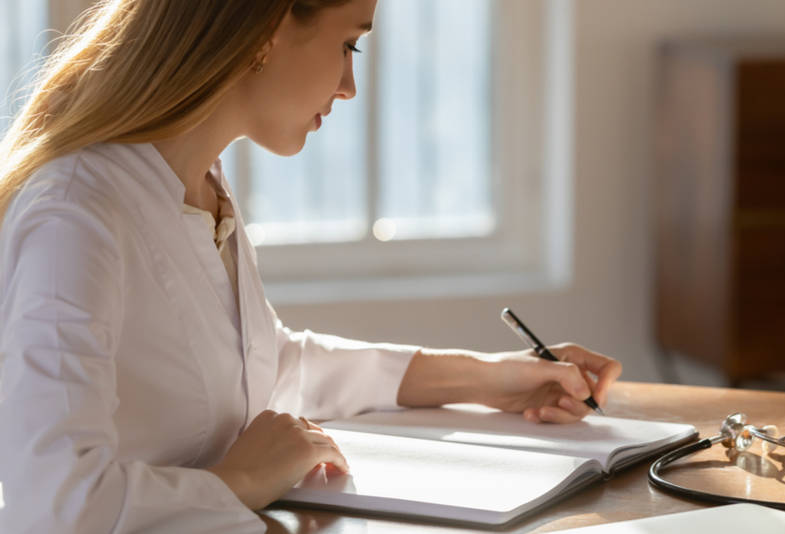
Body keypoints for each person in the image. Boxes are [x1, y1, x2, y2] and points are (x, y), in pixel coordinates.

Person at [0, 0, 623, 532]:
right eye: (349, 44)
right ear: (268, 29)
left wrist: (490, 379)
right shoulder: (75, 215)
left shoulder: (198, 182)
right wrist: (242, 478)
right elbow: (54, 508)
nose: (350, 85)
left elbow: (265, 364)